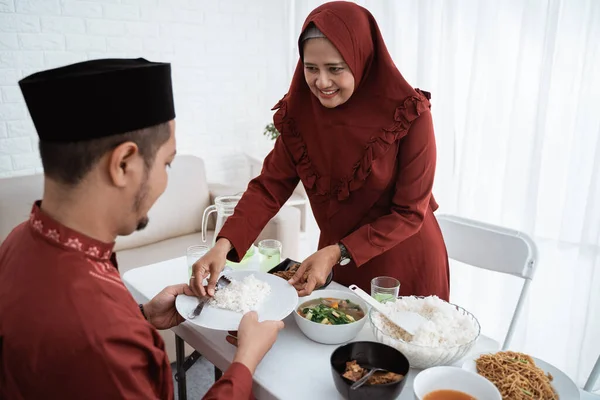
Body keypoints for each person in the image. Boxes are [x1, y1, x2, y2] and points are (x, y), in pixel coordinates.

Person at [0, 58, 283, 399]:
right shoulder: (100, 335)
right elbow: (91, 341)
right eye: (167, 163)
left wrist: (141, 317)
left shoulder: (18, 241)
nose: (166, 179)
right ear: (123, 164)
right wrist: (244, 362)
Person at [191, 2, 450, 302]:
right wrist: (223, 245)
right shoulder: (300, 116)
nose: (321, 82)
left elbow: (408, 214)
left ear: (361, 59)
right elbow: (269, 187)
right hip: (335, 261)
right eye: (310, 68)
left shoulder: (409, 115)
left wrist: (338, 251)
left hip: (403, 265)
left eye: (335, 69)